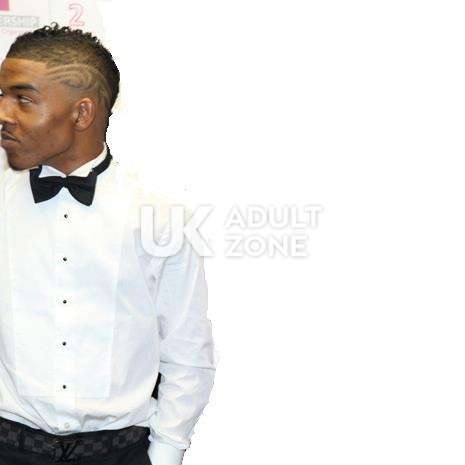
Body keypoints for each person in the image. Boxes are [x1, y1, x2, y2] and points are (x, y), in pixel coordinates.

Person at [0, 23, 217, 465]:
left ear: (82, 113)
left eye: (23, 99)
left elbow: (187, 352)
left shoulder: (158, 216)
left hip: (121, 454)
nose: (4, 112)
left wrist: (166, 454)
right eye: (1, 96)